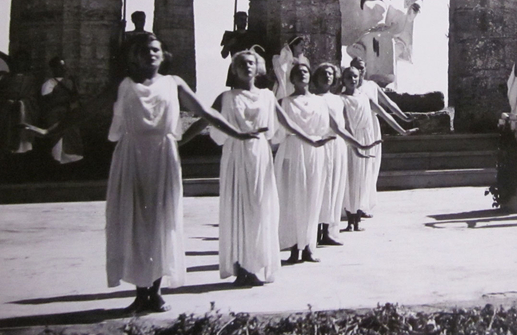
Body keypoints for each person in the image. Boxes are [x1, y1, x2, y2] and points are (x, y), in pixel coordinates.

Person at [106, 34, 259, 313]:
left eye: (155, 50)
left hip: (163, 157)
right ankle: (141, 292)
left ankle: (156, 290)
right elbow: (82, 110)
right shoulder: (124, 86)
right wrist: (49, 132)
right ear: (134, 57)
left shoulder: (174, 83)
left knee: (162, 222)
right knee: (136, 223)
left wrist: (237, 132)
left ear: (164, 56)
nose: (150, 54)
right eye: (144, 51)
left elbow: (205, 112)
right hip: (131, 159)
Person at [205, 50, 326, 286]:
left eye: (251, 63)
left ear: (258, 68)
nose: (246, 67)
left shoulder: (267, 97)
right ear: (234, 69)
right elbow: (205, 118)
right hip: (236, 157)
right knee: (238, 210)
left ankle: (256, 265)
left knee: (260, 209)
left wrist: (310, 140)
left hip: (260, 157)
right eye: (241, 63)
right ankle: (241, 268)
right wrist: (179, 143)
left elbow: (286, 122)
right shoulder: (226, 97)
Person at [274, 62, 344, 265]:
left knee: (313, 199)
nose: (302, 74)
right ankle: (295, 248)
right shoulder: (284, 102)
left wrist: (359, 145)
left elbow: (336, 127)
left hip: (315, 153)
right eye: (298, 73)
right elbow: (278, 132)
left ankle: (309, 247)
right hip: (293, 152)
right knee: (294, 200)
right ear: (293, 79)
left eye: (305, 71)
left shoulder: (320, 102)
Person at [340, 65, 410, 231]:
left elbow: (384, 114)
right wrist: (352, 141)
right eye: (349, 77)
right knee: (350, 176)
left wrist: (403, 129)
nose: (352, 80)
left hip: (366, 137)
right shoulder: (340, 98)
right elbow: (344, 123)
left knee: (363, 176)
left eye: (355, 77)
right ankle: (349, 218)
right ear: (343, 80)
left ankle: (357, 218)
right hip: (350, 140)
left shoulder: (365, 96)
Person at [312, 63, 374, 246]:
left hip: (338, 147)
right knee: (320, 188)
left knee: (334, 188)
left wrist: (356, 147)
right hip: (320, 145)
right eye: (323, 74)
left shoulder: (337, 100)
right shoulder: (315, 98)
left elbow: (344, 127)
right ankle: (315, 231)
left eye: (331, 74)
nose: (327, 77)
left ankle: (329, 231)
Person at [340, 0, 421, 87]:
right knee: (375, 38)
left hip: (383, 34)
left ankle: (386, 78)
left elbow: (398, 18)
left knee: (386, 38)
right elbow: (341, 2)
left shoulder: (385, 2)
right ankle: (372, 76)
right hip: (363, 35)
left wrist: (409, 12)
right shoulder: (356, 0)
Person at [219, 12, 254, 87]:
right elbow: (224, 55)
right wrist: (229, 44)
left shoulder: (251, 36)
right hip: (236, 68)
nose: (244, 22)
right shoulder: (230, 36)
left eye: (245, 20)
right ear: (236, 21)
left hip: (249, 68)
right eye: (241, 20)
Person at [272, 36, 307, 100]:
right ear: (294, 46)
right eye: (301, 45)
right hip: (286, 85)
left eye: (303, 45)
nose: (303, 47)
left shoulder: (305, 60)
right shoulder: (284, 59)